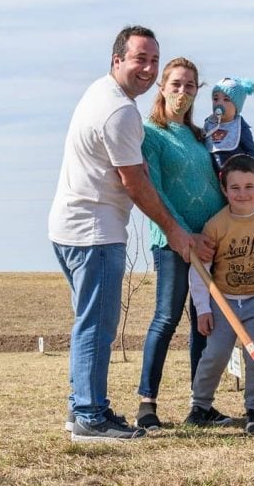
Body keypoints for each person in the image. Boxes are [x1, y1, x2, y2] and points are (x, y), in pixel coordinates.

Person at [48, 25, 195, 442]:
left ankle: (84, 407)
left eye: (153, 60)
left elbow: (134, 171)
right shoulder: (119, 111)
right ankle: (90, 417)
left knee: (89, 323)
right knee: (97, 326)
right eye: (139, 59)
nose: (147, 68)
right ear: (117, 60)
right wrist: (174, 230)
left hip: (70, 226)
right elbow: (135, 183)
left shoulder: (101, 93)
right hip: (93, 231)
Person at [134, 57, 230, 430]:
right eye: (176, 84)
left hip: (210, 243)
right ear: (162, 86)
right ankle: (147, 404)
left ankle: (200, 406)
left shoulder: (200, 137)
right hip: (173, 241)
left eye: (190, 85)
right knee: (167, 317)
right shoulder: (150, 133)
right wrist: (181, 235)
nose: (183, 91)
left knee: (203, 322)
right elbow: (154, 189)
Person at [185, 154, 254, 435]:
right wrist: (203, 309)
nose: (242, 193)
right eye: (235, 188)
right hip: (224, 302)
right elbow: (200, 269)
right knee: (215, 354)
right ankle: (200, 406)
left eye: (249, 186)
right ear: (224, 190)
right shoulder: (217, 225)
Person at [203, 77, 254, 173]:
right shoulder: (209, 124)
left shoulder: (240, 126)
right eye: (215, 99)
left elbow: (251, 151)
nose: (219, 103)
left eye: (226, 99)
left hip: (235, 176)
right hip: (212, 177)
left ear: (236, 107)